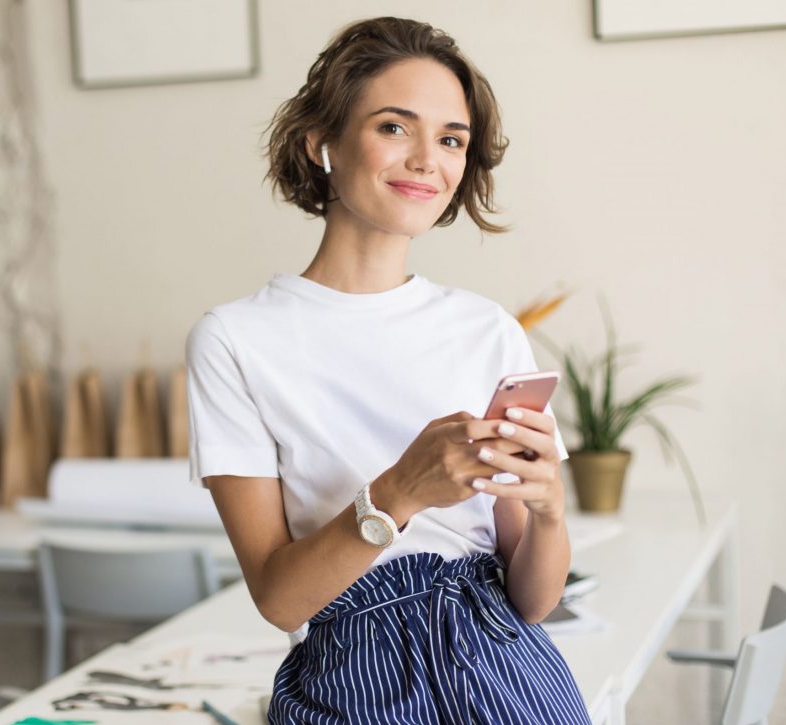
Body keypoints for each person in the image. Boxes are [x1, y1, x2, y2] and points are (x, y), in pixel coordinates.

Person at [185, 16, 591, 724]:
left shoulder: (487, 329)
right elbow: (279, 599)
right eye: (395, 127)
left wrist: (550, 510)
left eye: (451, 139)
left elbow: (533, 600)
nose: (427, 160)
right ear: (322, 142)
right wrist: (400, 491)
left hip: (505, 660)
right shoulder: (235, 340)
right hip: (349, 675)